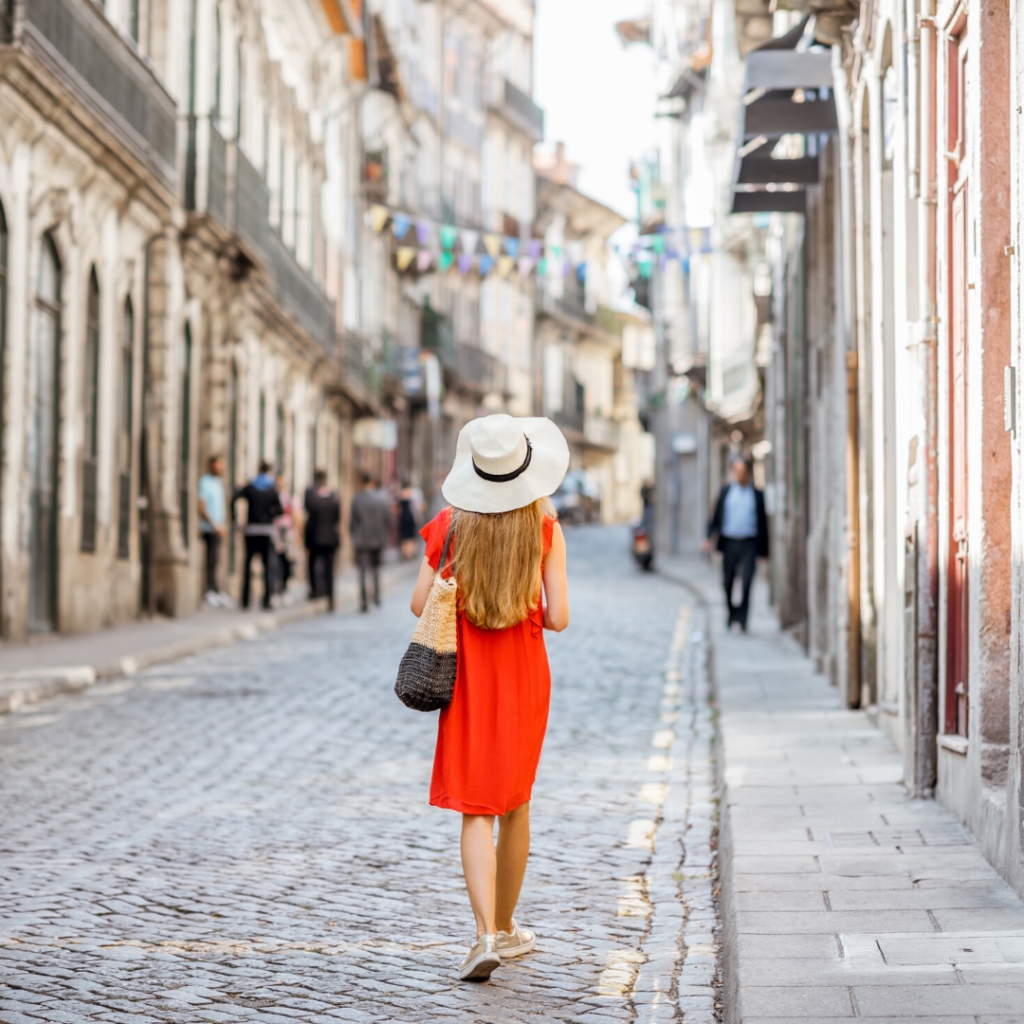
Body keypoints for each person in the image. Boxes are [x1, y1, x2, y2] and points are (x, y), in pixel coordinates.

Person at [410, 413, 570, 982]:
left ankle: (482, 936)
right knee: (515, 803)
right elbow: (559, 618)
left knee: (475, 809)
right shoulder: (545, 527)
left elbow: (417, 605)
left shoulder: (449, 525)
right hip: (523, 675)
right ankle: (507, 928)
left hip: (470, 678)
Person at [704, 457, 769, 631]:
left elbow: (763, 524)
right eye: (737, 472)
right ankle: (731, 612)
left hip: (749, 543)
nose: (740, 475)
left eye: (743, 472)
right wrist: (708, 537)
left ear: (748, 473)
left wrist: (765, 551)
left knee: (747, 582)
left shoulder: (757, 494)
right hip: (729, 542)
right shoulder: (726, 491)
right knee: (727, 582)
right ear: (733, 473)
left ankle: (743, 619)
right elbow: (715, 516)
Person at [233, 462, 283, 610]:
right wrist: (270, 514)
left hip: (251, 530)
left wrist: (236, 519)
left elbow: (235, 498)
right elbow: (279, 510)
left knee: (247, 566)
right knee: (267, 567)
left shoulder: (250, 486)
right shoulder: (271, 488)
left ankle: (244, 601)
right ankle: (266, 601)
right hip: (266, 531)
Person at [350, 472, 392, 612]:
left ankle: (363, 601)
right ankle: (377, 597)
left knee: (362, 571)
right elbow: (388, 520)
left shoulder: (357, 499)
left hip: (362, 541)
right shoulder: (382, 499)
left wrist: (355, 536)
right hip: (378, 539)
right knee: (376, 570)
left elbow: (352, 522)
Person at [304, 470, 341, 609]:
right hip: (331, 538)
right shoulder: (334, 497)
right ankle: (330, 597)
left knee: (313, 564)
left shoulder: (312, 497)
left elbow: (309, 516)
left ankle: (315, 590)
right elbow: (337, 518)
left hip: (315, 537)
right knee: (329, 570)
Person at [198, 455, 227, 605]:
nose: (220, 468)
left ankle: (216, 590)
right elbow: (202, 506)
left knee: (216, 560)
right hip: (210, 528)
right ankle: (209, 591)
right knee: (211, 560)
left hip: (219, 527)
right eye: (217, 465)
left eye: (221, 465)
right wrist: (214, 524)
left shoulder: (218, 482)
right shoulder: (205, 482)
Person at [397, 480, 420, 560]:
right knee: (410, 537)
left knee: (405, 537)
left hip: (403, 519)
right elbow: (416, 509)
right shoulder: (412, 496)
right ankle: (409, 554)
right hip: (410, 518)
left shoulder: (400, 497)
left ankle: (406, 554)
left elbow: (397, 510)